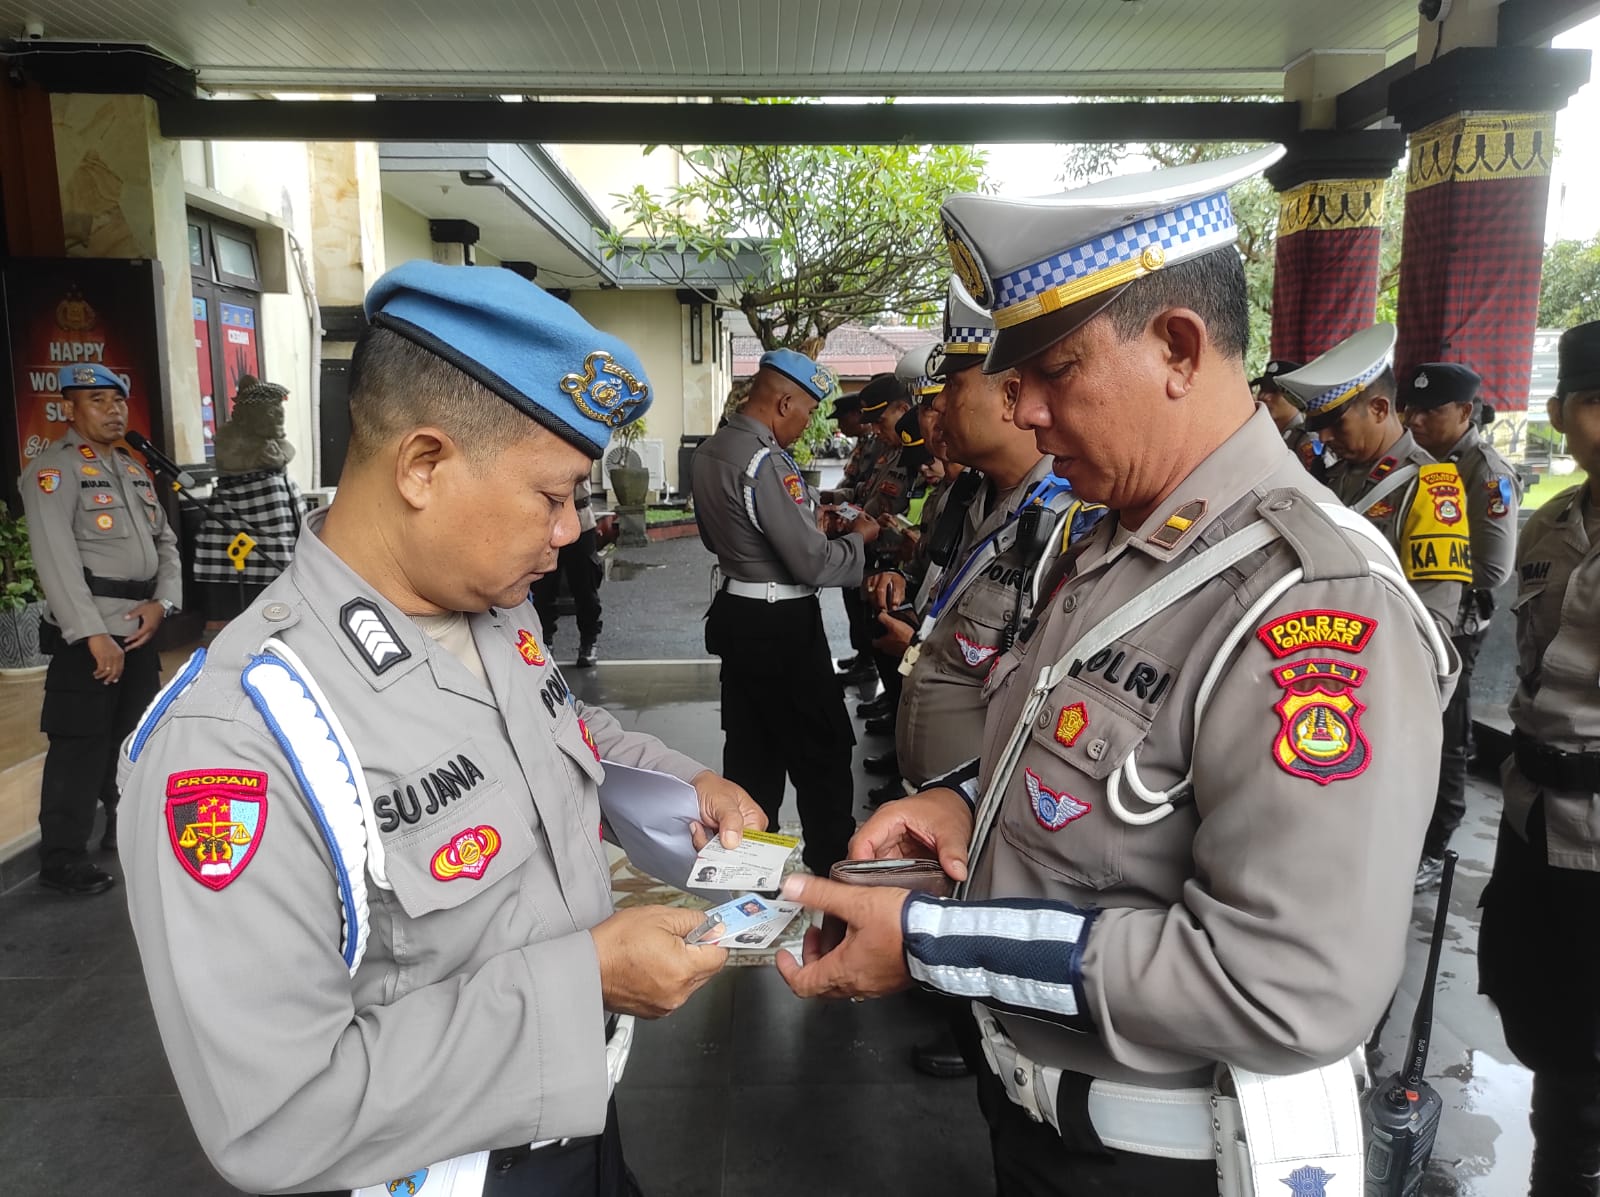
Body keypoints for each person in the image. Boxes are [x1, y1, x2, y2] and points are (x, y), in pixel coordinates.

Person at [776, 148, 1455, 1197]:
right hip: (1037, 1122)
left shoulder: (1311, 599)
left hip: (1159, 1161)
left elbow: (1288, 984)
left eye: (1054, 372)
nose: (1026, 412)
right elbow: (1096, 758)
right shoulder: (1116, 539)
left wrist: (929, 941)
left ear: (1178, 347)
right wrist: (966, 804)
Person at [116, 262, 764, 1196]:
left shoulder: (490, 606)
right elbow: (280, 1118)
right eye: (551, 496)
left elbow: (555, 728)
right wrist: (582, 981)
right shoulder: (235, 740)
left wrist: (678, 781)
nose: (571, 530)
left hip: (582, 1119)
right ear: (423, 466)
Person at [1479, 319, 1600, 1197]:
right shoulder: (1551, 525)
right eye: (1596, 403)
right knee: (1547, 1027)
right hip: (1535, 818)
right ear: (1559, 413)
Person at [691, 348, 875, 875]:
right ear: (784, 403)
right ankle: (832, 875)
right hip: (783, 628)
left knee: (753, 755)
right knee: (823, 752)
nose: (806, 424)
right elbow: (811, 561)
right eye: (807, 412)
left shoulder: (711, 451)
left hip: (737, 614)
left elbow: (716, 538)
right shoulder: (762, 460)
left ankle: (749, 881)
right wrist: (859, 540)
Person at [20, 362, 181, 895]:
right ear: (69, 409)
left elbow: (166, 544)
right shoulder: (54, 471)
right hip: (89, 636)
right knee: (79, 745)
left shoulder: (133, 468)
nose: (113, 411)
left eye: (118, 401)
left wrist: (163, 603)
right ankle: (62, 858)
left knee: (135, 739)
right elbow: (56, 559)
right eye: (97, 401)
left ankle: (124, 829)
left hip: (139, 629)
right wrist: (92, 634)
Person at [1400, 361, 1523, 890]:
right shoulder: (1421, 463)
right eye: (1412, 408)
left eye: (1431, 410)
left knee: (1448, 735)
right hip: (1416, 615)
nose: (1416, 419)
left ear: (1465, 412)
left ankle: (1437, 844)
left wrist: (1427, 567)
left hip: (1456, 625)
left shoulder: (1486, 473)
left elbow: (1494, 568)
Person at [1277, 325, 1473, 641]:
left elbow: (1432, 622)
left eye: (1336, 423)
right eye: (1318, 425)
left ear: (1379, 409)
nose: (1323, 437)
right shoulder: (1336, 473)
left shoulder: (1429, 487)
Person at [192, 375, 304, 632]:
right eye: (272, 411)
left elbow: (285, 453)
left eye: (280, 409)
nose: (280, 416)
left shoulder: (274, 443)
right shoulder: (230, 440)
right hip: (243, 521)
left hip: (277, 520)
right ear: (250, 415)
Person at [532, 476, 604, 666]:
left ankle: (589, 641)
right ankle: (545, 640)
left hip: (581, 520)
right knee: (543, 587)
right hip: (546, 521)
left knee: (585, 586)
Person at [1253, 357, 1328, 477]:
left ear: (1294, 397)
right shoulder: (1262, 432)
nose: (1263, 396)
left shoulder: (1306, 440)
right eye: (1262, 389)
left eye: (1274, 391)